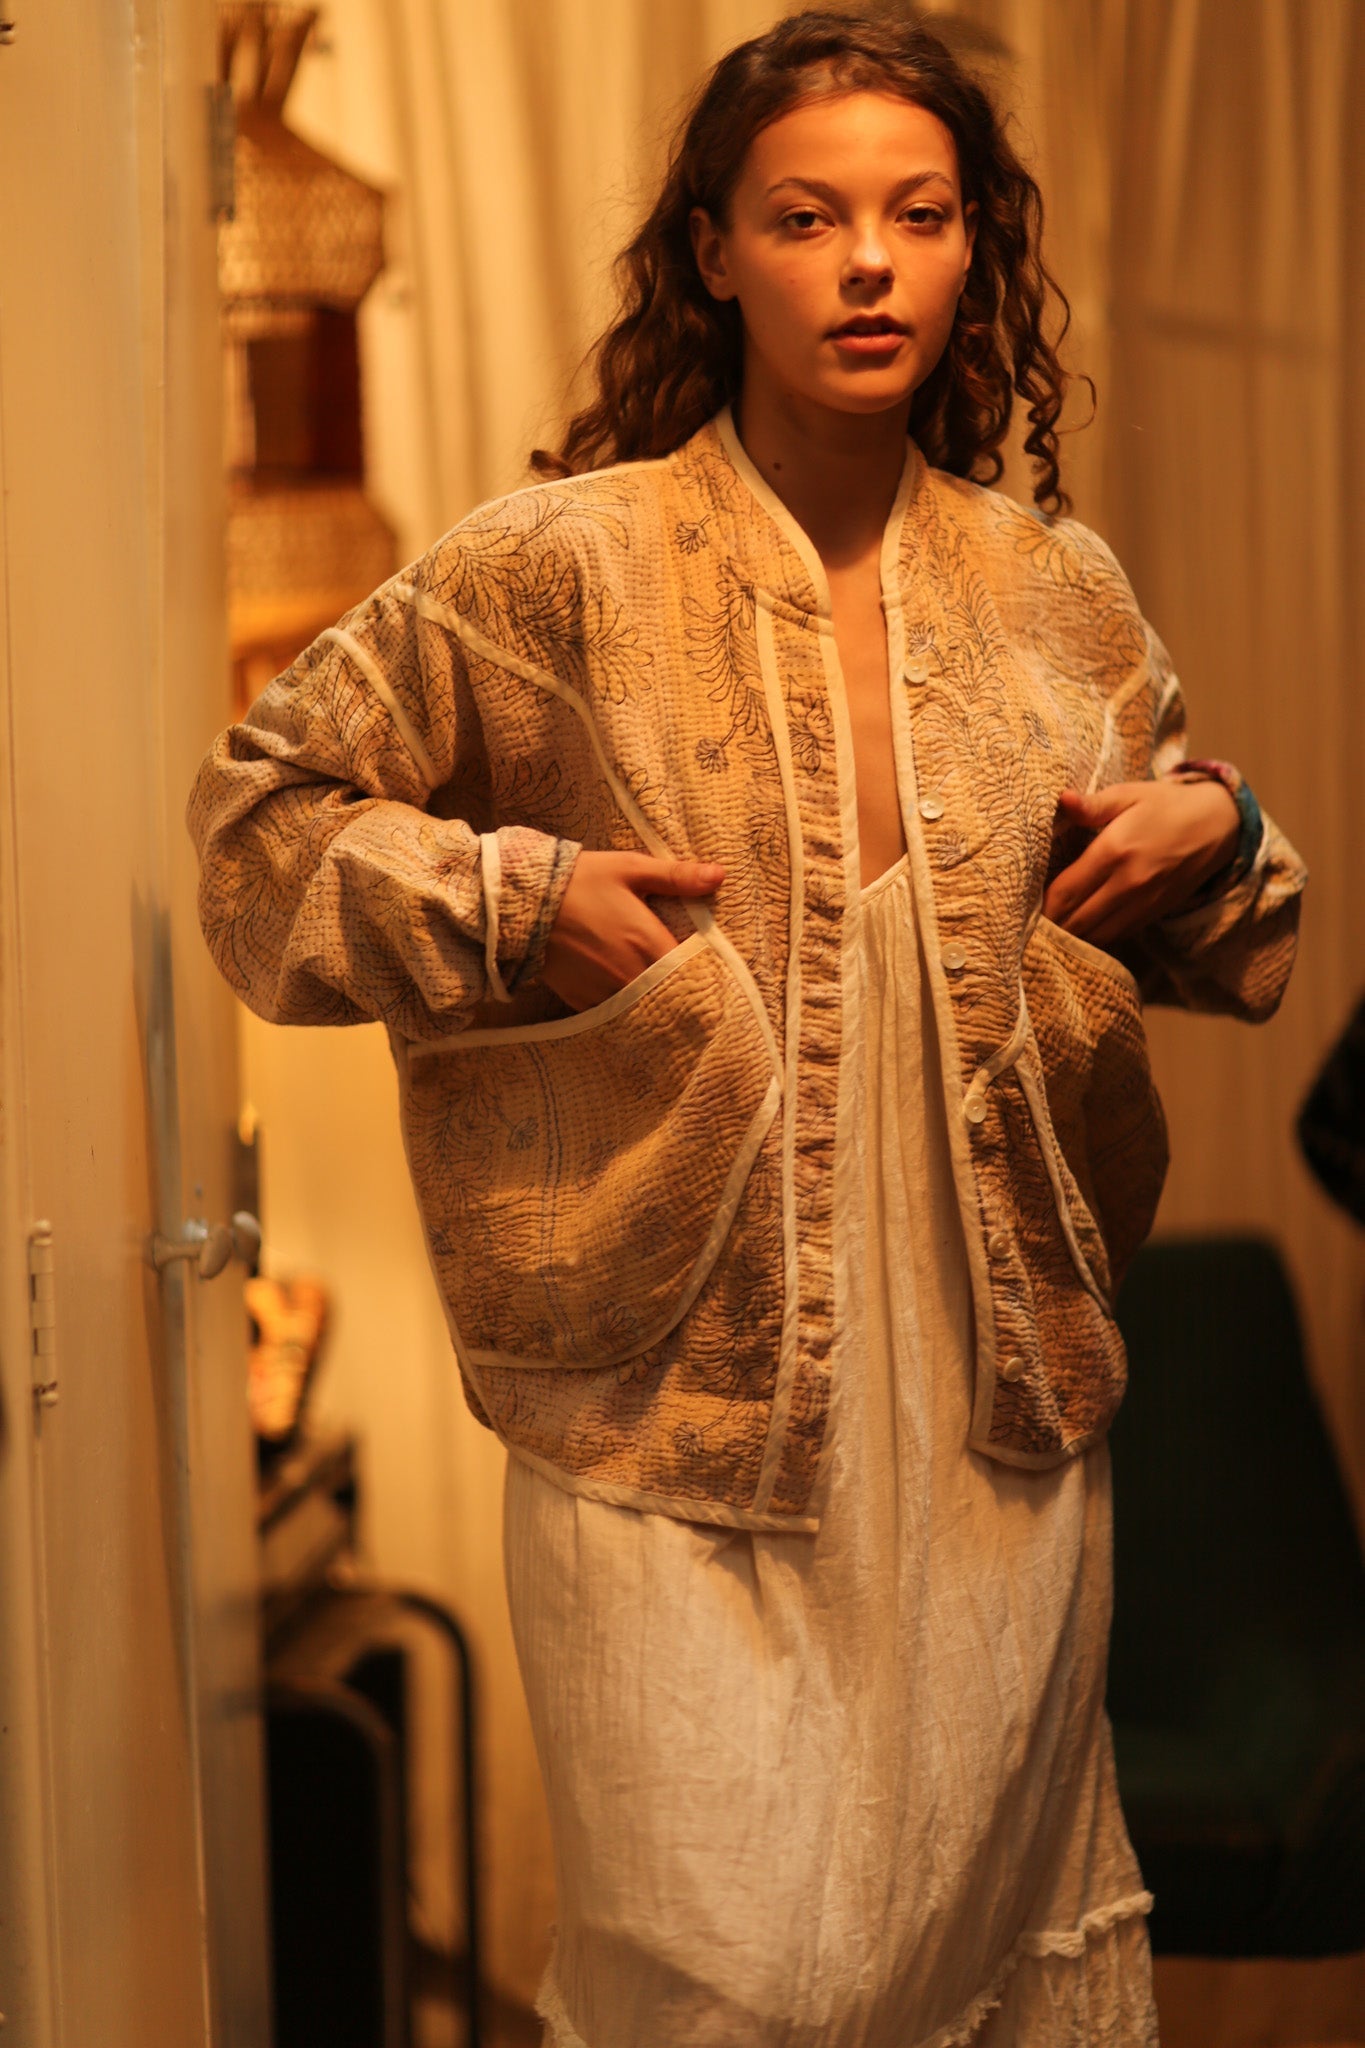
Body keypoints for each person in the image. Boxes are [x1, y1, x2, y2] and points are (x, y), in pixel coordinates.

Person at [190, 14, 1306, 2044]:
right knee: (724, 1971)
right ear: (711, 251)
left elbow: (1229, 920)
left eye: (918, 215)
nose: (868, 263)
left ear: (974, 248)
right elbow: (258, 835)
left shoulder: (1053, 594)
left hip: (993, 1425)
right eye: (805, 218)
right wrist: (514, 901)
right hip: (661, 1414)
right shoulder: (559, 570)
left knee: (980, 1950)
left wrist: (1216, 829)